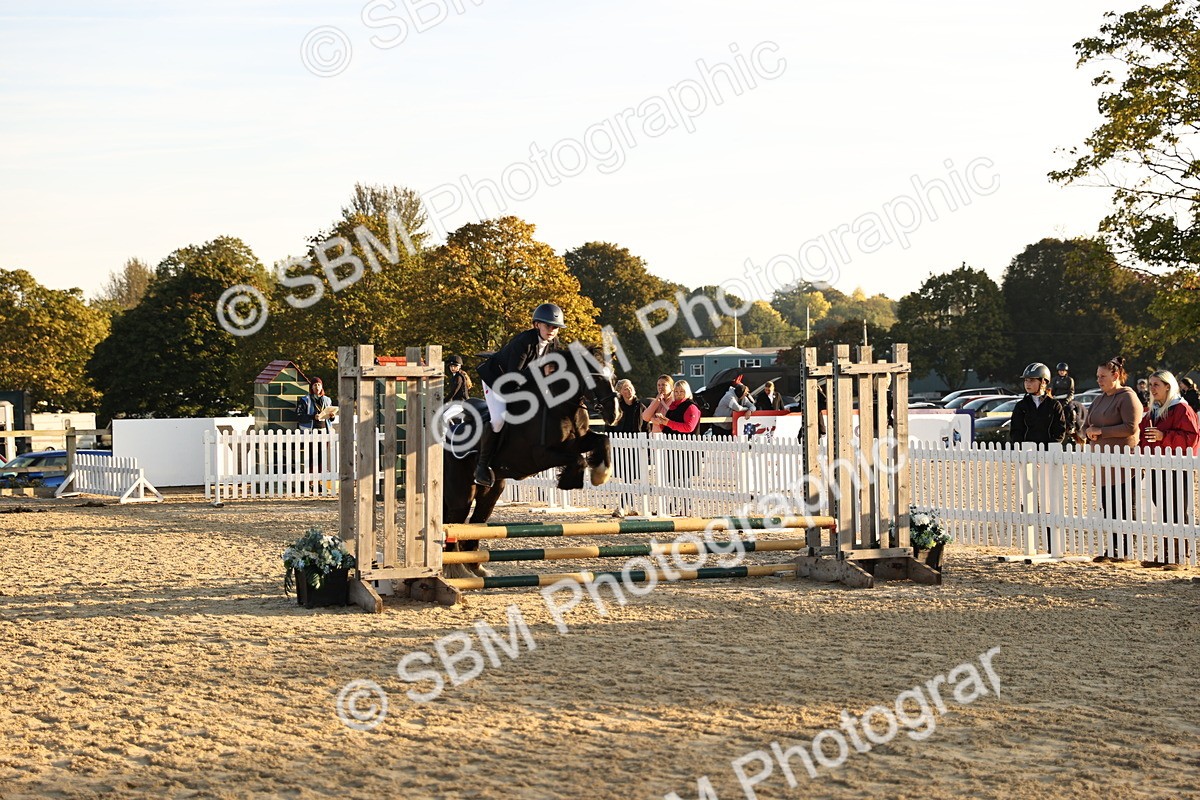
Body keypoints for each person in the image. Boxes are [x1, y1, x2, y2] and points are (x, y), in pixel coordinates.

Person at [473, 303, 565, 486]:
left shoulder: (553, 344)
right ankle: (481, 467)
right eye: (548, 326)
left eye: (555, 327)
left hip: (522, 383)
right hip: (497, 381)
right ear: (537, 324)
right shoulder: (523, 342)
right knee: (499, 420)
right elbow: (513, 377)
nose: (552, 330)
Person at [1084, 356, 1144, 558]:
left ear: (1116, 375)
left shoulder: (1127, 397)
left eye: (1103, 376)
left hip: (1124, 465)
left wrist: (1101, 431)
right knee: (1108, 508)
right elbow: (1086, 426)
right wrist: (1088, 433)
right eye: (1097, 376)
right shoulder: (1099, 399)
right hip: (1102, 464)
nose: (1099, 380)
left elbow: (1130, 427)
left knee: (1124, 507)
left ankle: (1125, 550)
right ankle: (1113, 548)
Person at [1138, 371, 1200, 547]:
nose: (1152, 389)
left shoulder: (1182, 408)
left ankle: (1181, 553)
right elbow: (1143, 434)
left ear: (1168, 386)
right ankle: (1167, 552)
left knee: (1177, 511)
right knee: (1163, 511)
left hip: (1177, 468)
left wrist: (1163, 436)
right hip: (1156, 466)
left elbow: (1192, 437)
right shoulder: (1153, 411)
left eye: (1156, 384)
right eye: (1150, 385)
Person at [1009, 363, 1067, 446]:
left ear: (1043, 382)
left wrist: (1050, 446)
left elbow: (1060, 430)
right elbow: (1015, 430)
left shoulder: (1054, 405)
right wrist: (1021, 447)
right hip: (1026, 452)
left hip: (1049, 453)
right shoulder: (1020, 406)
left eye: (1032, 380)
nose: (1027, 384)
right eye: (1026, 380)